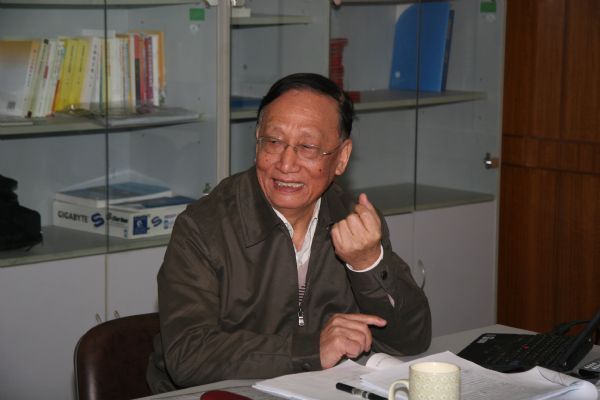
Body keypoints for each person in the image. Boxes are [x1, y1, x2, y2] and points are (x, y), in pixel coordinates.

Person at [147, 73, 431, 393]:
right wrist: (310, 349)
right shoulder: (203, 227)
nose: (286, 163)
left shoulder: (355, 221)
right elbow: (188, 356)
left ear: (341, 157)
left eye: (308, 147)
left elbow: (411, 340)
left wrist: (368, 263)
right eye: (274, 141)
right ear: (257, 142)